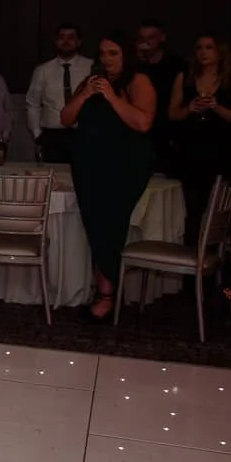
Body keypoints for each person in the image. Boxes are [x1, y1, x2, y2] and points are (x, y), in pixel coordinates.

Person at [62, 32, 156, 321]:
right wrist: (85, 94)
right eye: (102, 53)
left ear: (126, 54)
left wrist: (111, 97)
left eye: (113, 53)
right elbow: (66, 118)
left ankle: (107, 295)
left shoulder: (138, 81)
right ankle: (103, 291)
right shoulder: (90, 82)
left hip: (122, 166)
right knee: (94, 225)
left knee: (110, 225)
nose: (106, 59)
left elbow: (142, 123)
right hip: (89, 165)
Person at [169, 32, 231, 242]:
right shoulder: (185, 76)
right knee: (190, 208)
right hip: (189, 152)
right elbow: (172, 114)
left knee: (213, 209)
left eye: (209, 47)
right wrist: (189, 109)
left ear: (219, 51)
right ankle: (188, 252)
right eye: (199, 48)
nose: (203, 53)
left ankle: (208, 254)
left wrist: (216, 107)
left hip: (218, 152)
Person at [26, 23, 92, 164]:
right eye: (61, 37)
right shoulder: (43, 70)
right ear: (55, 42)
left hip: (84, 133)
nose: (66, 41)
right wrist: (37, 134)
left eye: (71, 37)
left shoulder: (91, 67)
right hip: (53, 136)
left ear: (79, 42)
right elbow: (32, 103)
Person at [135, 18, 186, 176]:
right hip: (140, 134)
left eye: (151, 37)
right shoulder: (135, 66)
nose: (146, 43)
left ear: (162, 38)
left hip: (167, 134)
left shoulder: (176, 65)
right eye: (142, 38)